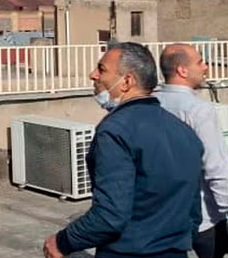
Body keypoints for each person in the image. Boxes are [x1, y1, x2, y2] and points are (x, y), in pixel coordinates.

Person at [43, 42, 203, 258]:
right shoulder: (184, 132)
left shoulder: (115, 131)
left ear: (127, 81)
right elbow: (193, 213)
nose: (93, 75)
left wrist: (63, 242)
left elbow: (110, 216)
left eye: (101, 69)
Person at [155, 44, 228, 258]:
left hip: (162, 214)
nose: (205, 67)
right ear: (182, 70)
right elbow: (215, 167)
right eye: (200, 62)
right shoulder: (199, 110)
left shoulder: (152, 103)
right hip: (204, 217)